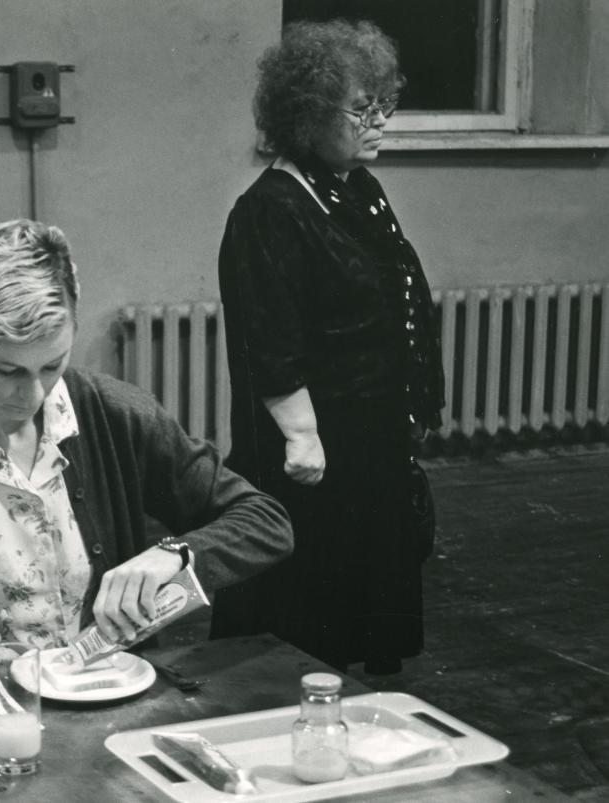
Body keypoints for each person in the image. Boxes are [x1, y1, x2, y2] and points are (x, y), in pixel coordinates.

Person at [0, 219, 294, 693]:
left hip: (111, 700)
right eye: (8, 370)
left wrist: (175, 555)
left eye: (52, 365)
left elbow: (265, 521)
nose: (33, 394)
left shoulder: (115, 414)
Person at [208, 19, 445, 675]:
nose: (379, 121)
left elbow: (394, 292)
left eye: (383, 104)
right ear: (309, 116)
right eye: (362, 109)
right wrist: (302, 434)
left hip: (368, 434)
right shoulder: (269, 210)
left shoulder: (357, 189)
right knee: (304, 606)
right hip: (312, 447)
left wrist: (412, 402)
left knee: (363, 591)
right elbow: (269, 335)